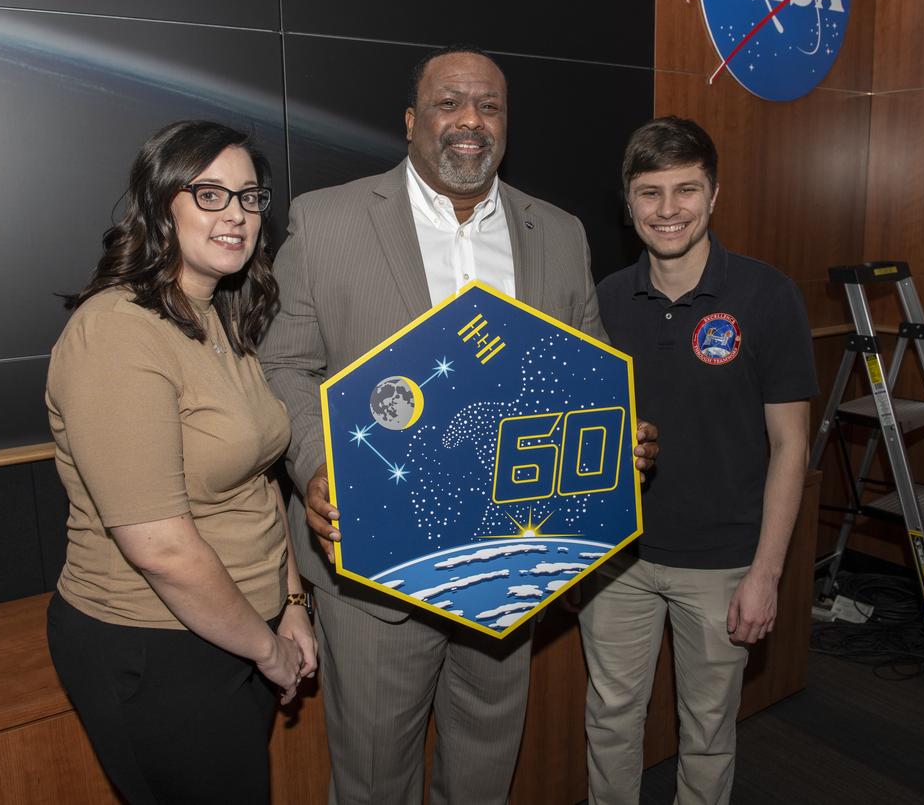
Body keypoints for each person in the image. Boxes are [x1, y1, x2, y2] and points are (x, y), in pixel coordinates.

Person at [260, 45, 658, 804]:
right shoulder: (327, 220)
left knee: (483, 773)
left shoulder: (558, 232)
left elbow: (587, 367)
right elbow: (282, 365)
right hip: (377, 572)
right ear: (412, 121)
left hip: (512, 563)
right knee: (374, 781)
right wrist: (318, 463)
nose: (471, 120)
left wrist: (618, 437)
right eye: (450, 103)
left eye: (489, 106)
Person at [44, 120, 316, 804]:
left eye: (249, 197)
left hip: (240, 630)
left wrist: (290, 604)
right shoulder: (116, 331)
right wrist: (266, 649)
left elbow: (259, 482)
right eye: (210, 194)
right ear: (160, 203)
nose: (237, 214)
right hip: (156, 646)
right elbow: (160, 547)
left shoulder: (220, 314)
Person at [577, 115, 818, 805]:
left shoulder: (767, 296)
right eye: (650, 192)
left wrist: (766, 573)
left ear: (714, 195)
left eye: (686, 189)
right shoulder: (602, 300)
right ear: (628, 202)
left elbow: (792, 446)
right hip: (617, 560)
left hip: (723, 565)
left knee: (708, 731)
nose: (668, 209)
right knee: (610, 720)